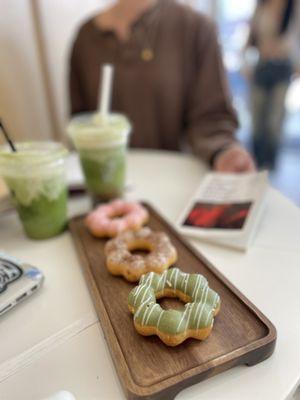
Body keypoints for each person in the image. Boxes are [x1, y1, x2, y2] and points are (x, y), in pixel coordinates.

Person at [69, 0, 255, 172]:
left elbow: (211, 118)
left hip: (177, 186)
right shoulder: (85, 38)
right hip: (107, 185)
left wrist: (223, 152)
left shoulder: (194, 28)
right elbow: (80, 120)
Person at [244, 0, 300, 169]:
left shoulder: (293, 5)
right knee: (256, 118)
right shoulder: (261, 5)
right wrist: (245, 62)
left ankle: (269, 165)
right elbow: (252, 35)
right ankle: (255, 162)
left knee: (274, 120)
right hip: (261, 66)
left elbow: (296, 33)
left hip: (282, 66)